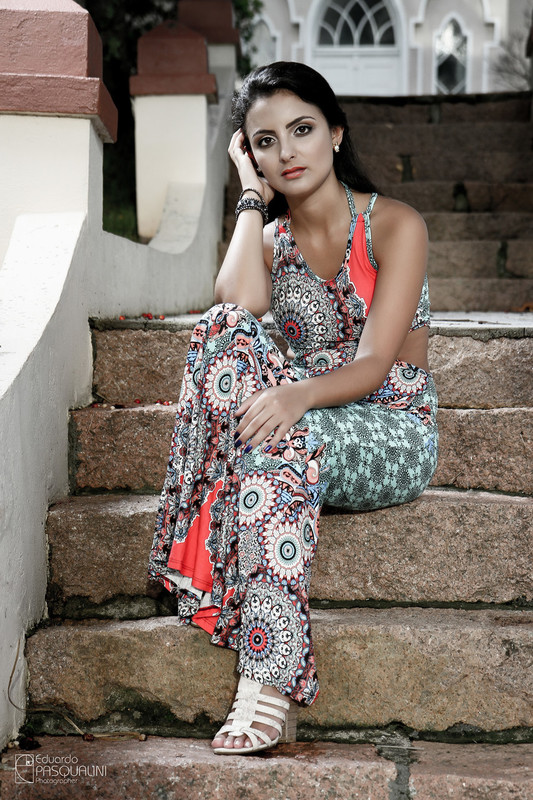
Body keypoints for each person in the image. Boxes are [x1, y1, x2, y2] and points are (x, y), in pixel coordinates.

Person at [148, 61, 438, 756]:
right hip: (292, 424)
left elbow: (372, 365)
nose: (287, 152)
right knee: (221, 334)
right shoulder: (272, 242)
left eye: (302, 130)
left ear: (335, 132)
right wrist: (250, 200)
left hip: (389, 425)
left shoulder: (392, 226)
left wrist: (294, 396)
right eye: (266, 141)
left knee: (276, 446)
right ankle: (229, 561)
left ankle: (265, 678)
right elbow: (235, 305)